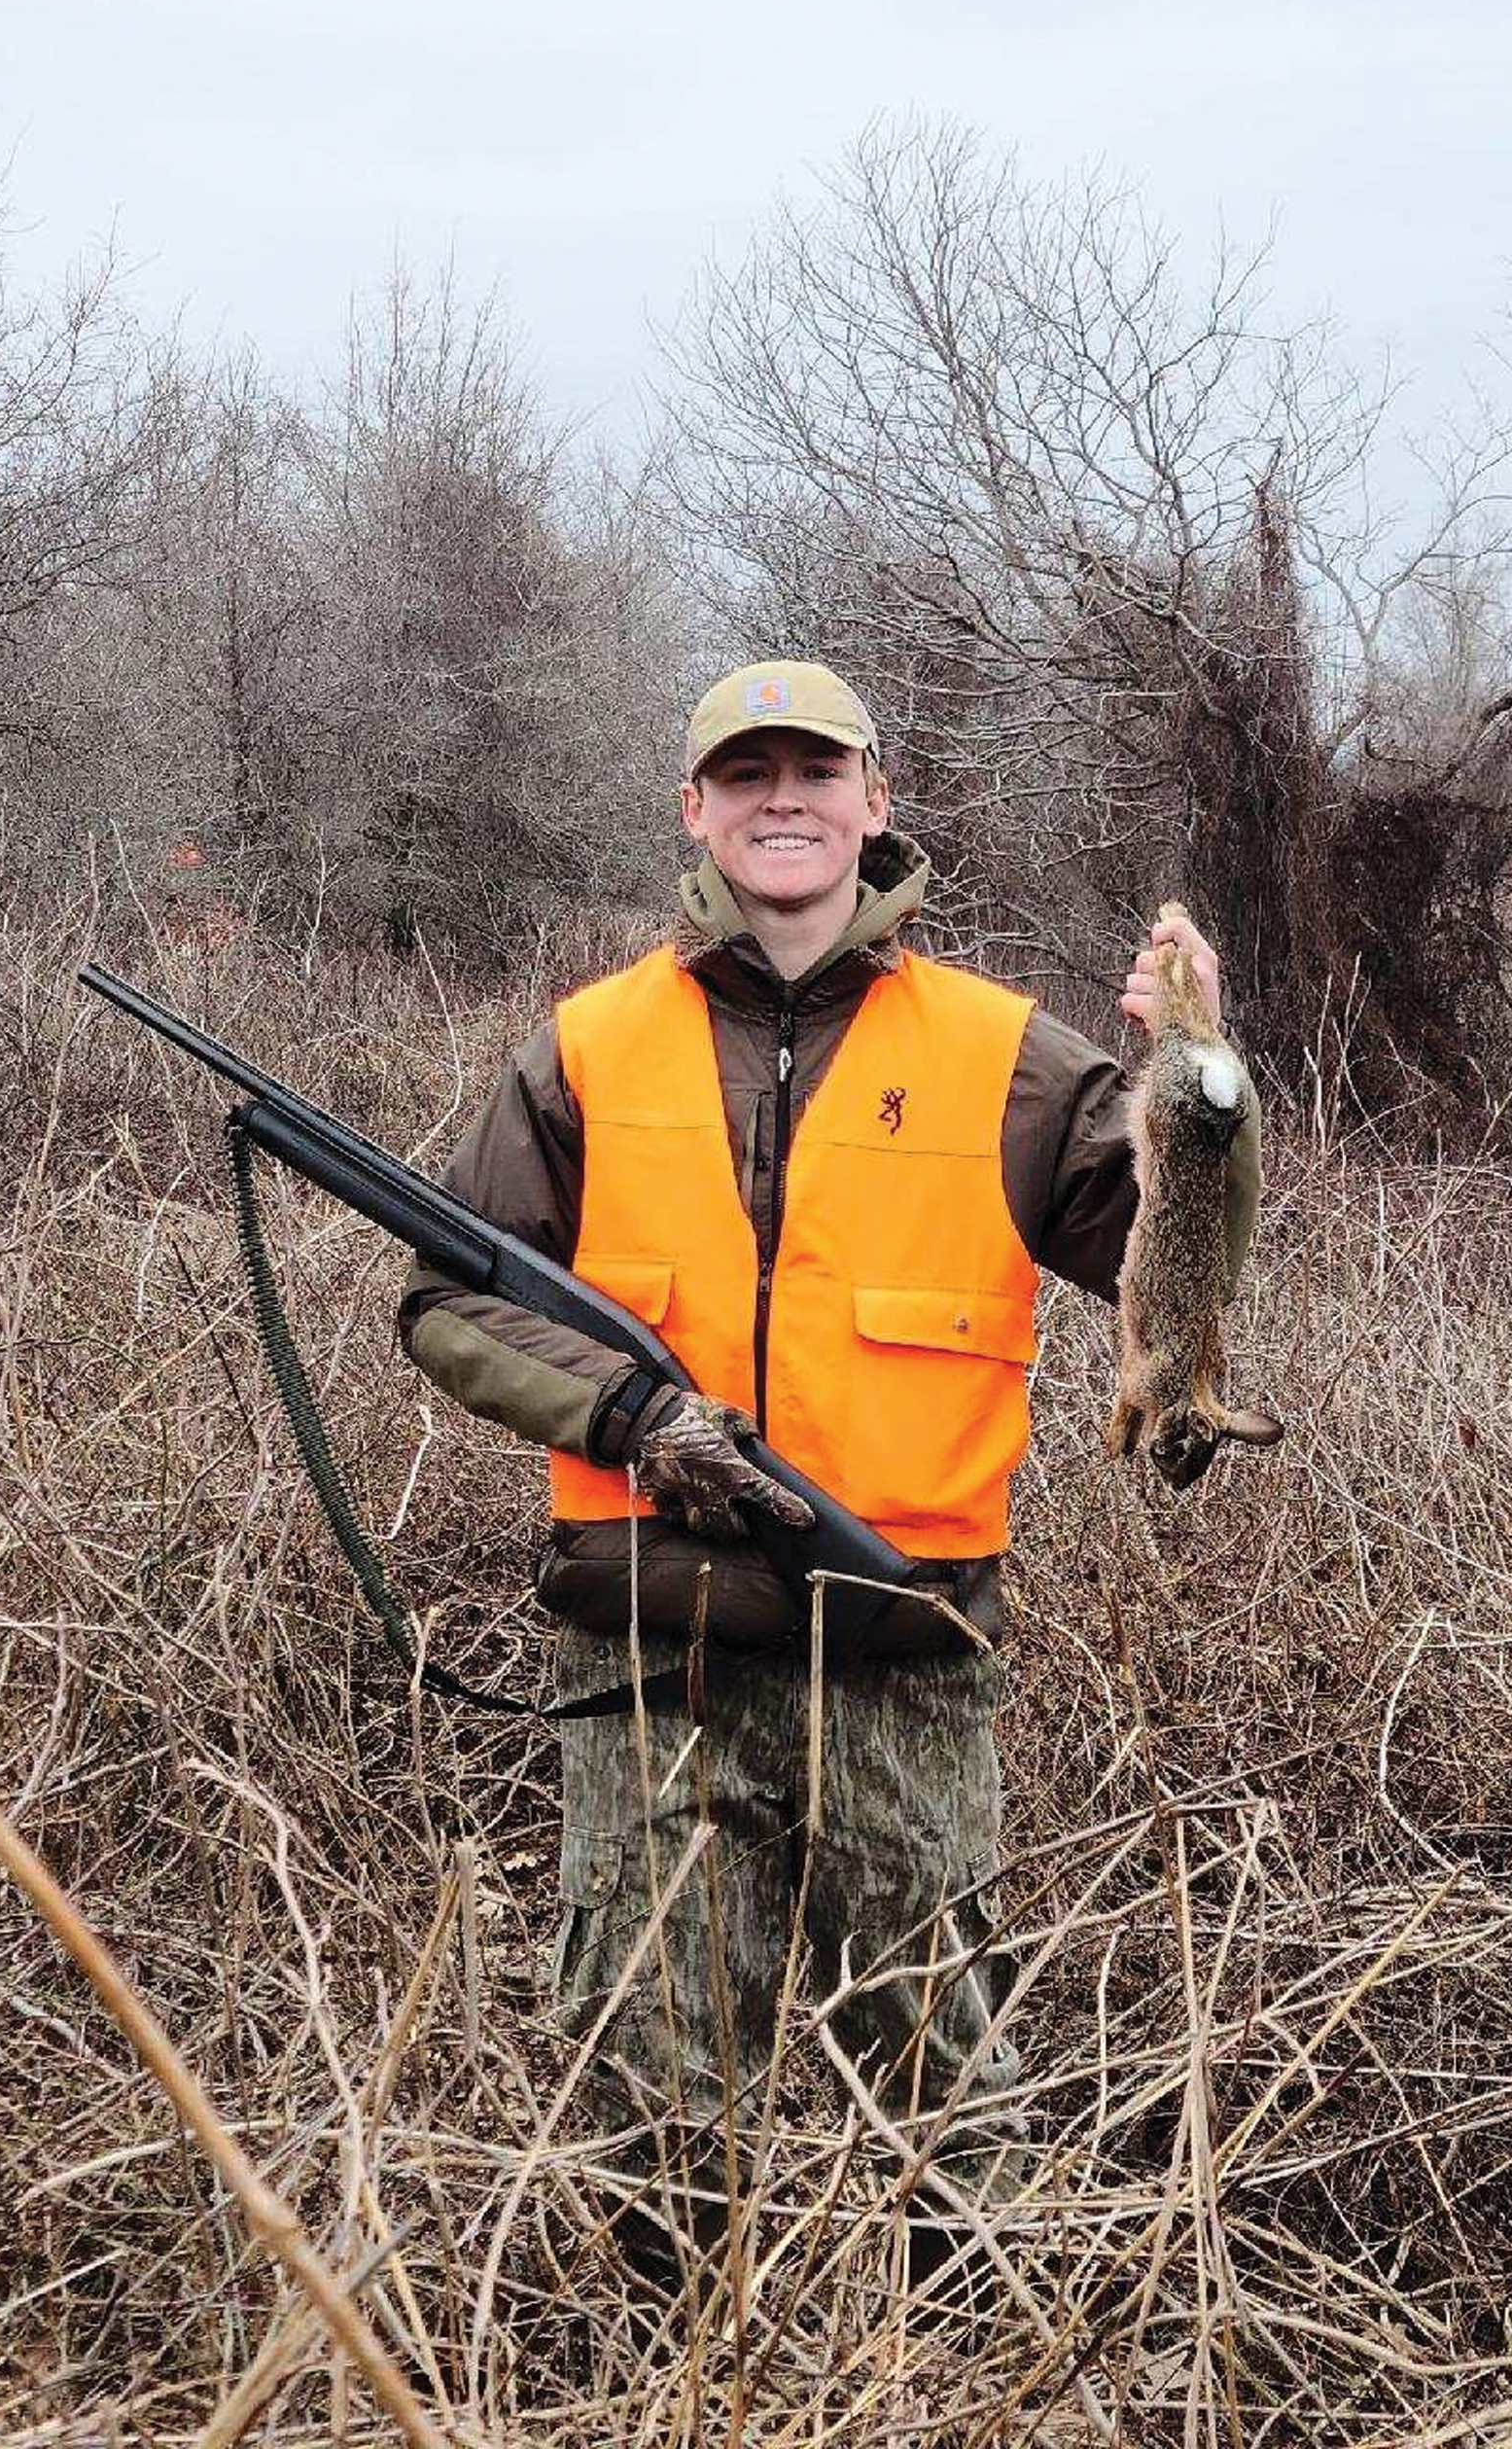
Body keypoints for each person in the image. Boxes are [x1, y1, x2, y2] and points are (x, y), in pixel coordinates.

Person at [398, 659, 1262, 2282]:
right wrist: (629, 1418)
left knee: (948, 2084)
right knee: (650, 2085)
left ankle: (979, 2365)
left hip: (902, 1641)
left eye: (815, 770)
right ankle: (669, 2369)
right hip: (650, 1646)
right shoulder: (585, 1048)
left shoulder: (1009, 1053)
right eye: (745, 773)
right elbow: (454, 1299)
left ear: (875, 802)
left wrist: (1195, 1088)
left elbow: (1170, 1260)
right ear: (696, 811)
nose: (780, 800)